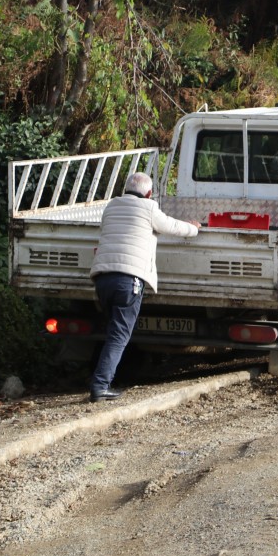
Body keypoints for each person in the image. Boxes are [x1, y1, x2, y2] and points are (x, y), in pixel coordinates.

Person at [88, 172, 202, 402]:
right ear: (149, 193)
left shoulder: (111, 206)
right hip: (127, 280)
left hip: (102, 278)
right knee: (119, 335)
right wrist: (194, 228)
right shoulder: (148, 208)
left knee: (113, 332)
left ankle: (104, 379)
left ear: (125, 188)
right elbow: (171, 226)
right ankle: (100, 386)